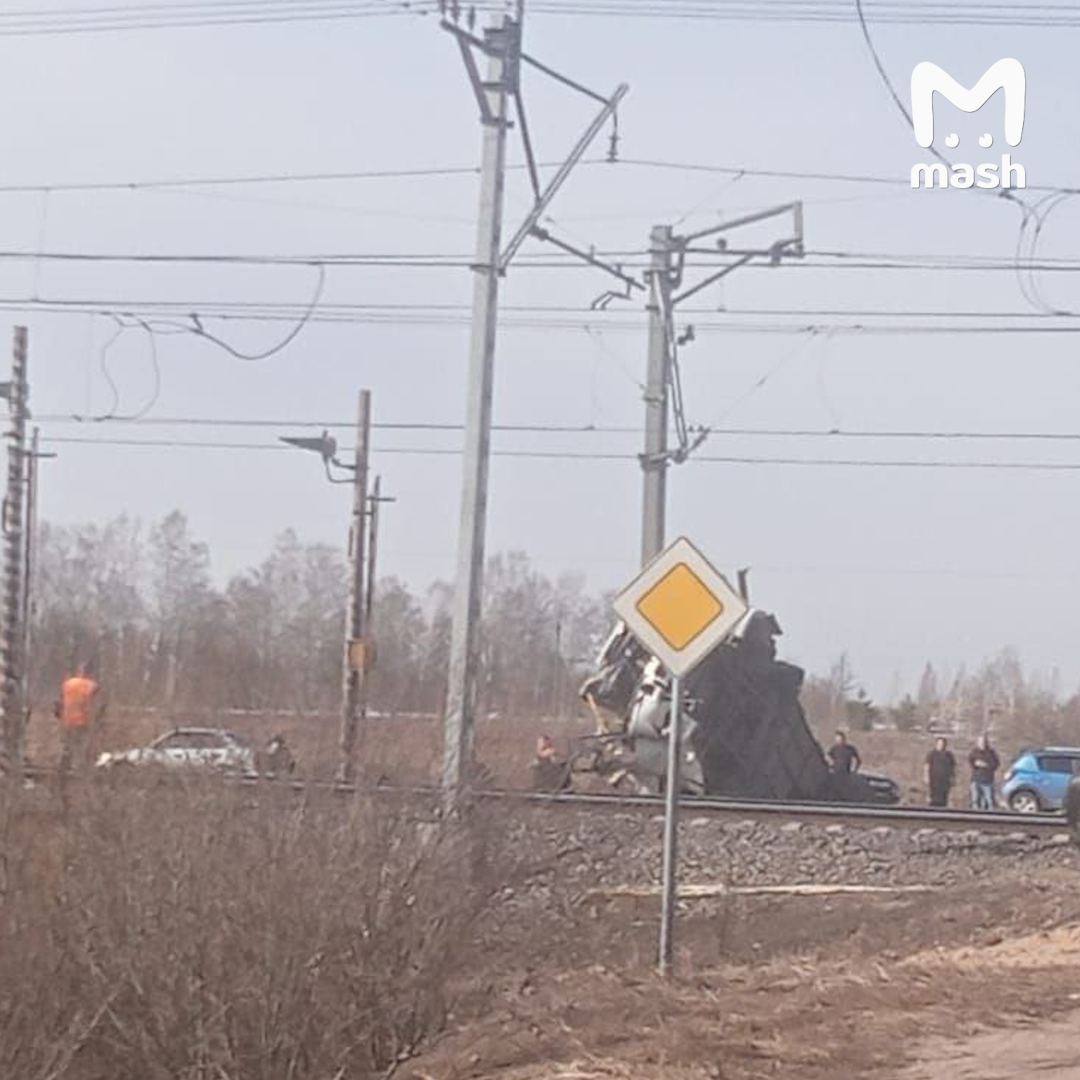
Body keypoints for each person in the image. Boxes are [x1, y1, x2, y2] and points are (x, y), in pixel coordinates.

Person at [55, 663, 104, 772]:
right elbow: (98, 705)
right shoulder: (91, 686)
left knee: (67, 744)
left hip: (67, 719)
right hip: (83, 720)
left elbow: (59, 702)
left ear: (79, 671)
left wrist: (60, 715)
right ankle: (80, 768)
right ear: (91, 674)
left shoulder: (68, 684)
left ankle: (64, 766)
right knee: (82, 745)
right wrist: (98, 718)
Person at [968, 734, 1000, 810]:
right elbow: (970, 762)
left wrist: (986, 765)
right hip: (976, 780)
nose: (982, 743)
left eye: (984, 742)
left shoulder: (991, 753)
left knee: (989, 801)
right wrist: (975, 764)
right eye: (980, 742)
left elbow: (996, 764)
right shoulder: (974, 752)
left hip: (987, 781)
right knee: (975, 801)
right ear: (977, 743)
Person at [924, 736, 956, 807]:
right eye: (939, 744)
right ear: (936, 744)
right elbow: (927, 766)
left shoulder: (949, 755)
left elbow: (952, 767)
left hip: (945, 781)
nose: (941, 745)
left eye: (942, 744)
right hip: (934, 780)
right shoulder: (931, 754)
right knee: (933, 797)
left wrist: (953, 778)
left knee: (944, 797)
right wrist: (926, 777)